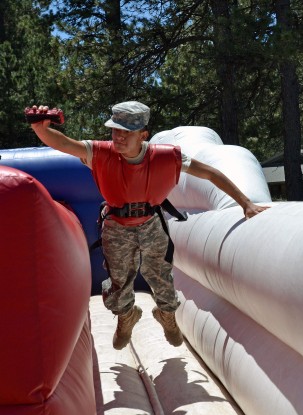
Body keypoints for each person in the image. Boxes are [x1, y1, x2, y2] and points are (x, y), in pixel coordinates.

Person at [29, 101, 269, 350]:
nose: (118, 137)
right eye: (114, 130)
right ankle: (126, 317)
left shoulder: (166, 157)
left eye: (126, 132)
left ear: (143, 135)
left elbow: (210, 173)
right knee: (118, 283)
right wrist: (40, 128)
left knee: (161, 277)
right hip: (117, 225)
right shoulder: (100, 152)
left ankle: (166, 315)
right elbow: (64, 144)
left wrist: (245, 203)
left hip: (151, 223)